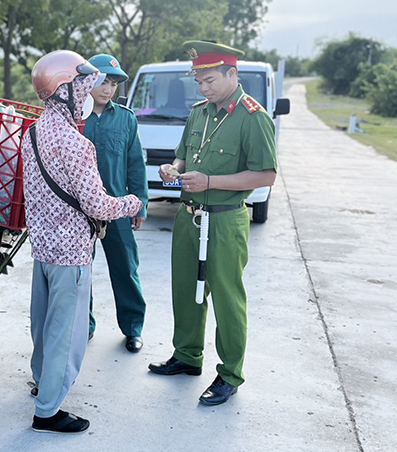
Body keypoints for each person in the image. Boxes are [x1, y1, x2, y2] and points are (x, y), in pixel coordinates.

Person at [148, 41, 277, 406]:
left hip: (224, 220)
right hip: (189, 218)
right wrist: (173, 169)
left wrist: (211, 182)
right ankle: (187, 356)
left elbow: (265, 176)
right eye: (199, 83)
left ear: (231, 74)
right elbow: (183, 155)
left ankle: (229, 374)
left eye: (209, 81)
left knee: (226, 297)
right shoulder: (200, 113)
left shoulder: (253, 117)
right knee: (185, 290)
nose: (203, 89)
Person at [22, 50, 143, 433]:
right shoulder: (76, 143)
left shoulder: (33, 132)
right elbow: (97, 205)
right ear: (63, 91)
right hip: (71, 252)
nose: (88, 95)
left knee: (42, 325)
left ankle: (42, 381)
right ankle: (47, 411)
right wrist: (132, 202)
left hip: (42, 247)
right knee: (65, 333)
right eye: (83, 87)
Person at [83, 53, 149, 352]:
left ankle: (133, 327)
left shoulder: (125, 118)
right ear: (87, 81)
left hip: (117, 208)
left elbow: (136, 164)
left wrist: (140, 203)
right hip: (79, 210)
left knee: (126, 269)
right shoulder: (74, 117)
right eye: (102, 81)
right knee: (80, 272)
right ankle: (83, 325)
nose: (108, 88)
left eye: (113, 83)